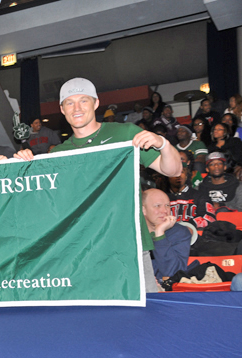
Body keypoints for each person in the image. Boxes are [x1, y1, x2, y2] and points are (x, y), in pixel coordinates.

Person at [16, 77, 182, 293]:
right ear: (62, 109)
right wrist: (13, 166)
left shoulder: (125, 134)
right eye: (69, 102)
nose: (76, 108)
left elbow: (174, 171)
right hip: (83, 252)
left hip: (128, 246)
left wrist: (163, 143)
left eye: (83, 101)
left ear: (95, 103)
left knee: (143, 320)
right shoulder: (58, 154)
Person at [142, 189, 192, 282]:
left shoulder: (179, 233)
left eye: (167, 205)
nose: (164, 211)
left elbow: (173, 273)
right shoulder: (133, 234)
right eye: (157, 206)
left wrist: (159, 235)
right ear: (143, 209)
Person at [167, 165, 214, 229]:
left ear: (186, 176)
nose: (178, 175)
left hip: (194, 234)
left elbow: (210, 218)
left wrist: (188, 225)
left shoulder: (200, 195)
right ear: (168, 177)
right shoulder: (161, 198)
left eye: (182, 172)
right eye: (174, 173)